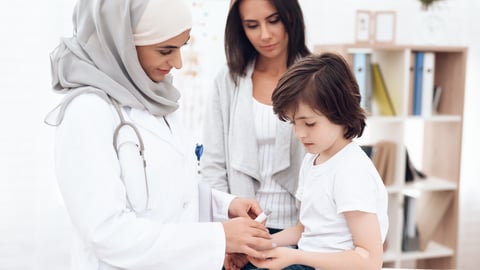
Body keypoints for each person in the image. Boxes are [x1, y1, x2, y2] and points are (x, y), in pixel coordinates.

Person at [44, 1, 274, 269]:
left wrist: (223, 206)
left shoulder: (156, 97)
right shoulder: (87, 112)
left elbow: (171, 192)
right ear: (123, 44)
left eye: (181, 46)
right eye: (166, 50)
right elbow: (107, 234)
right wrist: (219, 237)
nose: (177, 63)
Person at [248, 53, 389, 270]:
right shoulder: (313, 160)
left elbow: (370, 260)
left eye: (310, 123)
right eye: (294, 123)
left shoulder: (351, 171)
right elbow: (304, 230)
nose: (299, 134)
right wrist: (265, 244)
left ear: (341, 112)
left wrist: (296, 257)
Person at [199, 0, 311, 268]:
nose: (264, 34)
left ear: (290, 17)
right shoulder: (227, 82)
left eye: (273, 20)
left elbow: (335, 159)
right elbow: (213, 166)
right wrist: (228, 235)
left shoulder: (317, 77)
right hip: (243, 234)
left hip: (304, 233)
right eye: (252, 25)